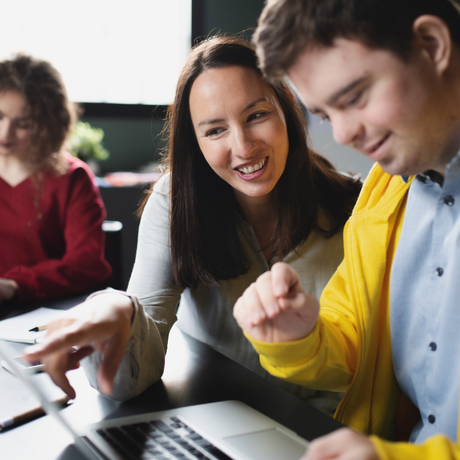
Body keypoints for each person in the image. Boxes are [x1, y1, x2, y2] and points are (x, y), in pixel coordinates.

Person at [24, 37, 361, 412]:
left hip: (334, 433)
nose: (243, 146)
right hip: (221, 419)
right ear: (195, 142)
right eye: (215, 130)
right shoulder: (174, 202)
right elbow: (132, 373)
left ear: (286, 106)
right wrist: (117, 310)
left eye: (256, 115)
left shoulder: (356, 206)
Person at [233, 0, 460, 458]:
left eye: (354, 97)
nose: (341, 135)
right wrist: (300, 336)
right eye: (324, 113)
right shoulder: (384, 192)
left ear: (432, 46)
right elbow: (357, 344)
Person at [0, 54, 111, 305]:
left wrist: (14, 285)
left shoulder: (71, 177)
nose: (5, 133)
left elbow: (86, 263)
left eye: (23, 124)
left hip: (46, 312)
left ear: (46, 125)